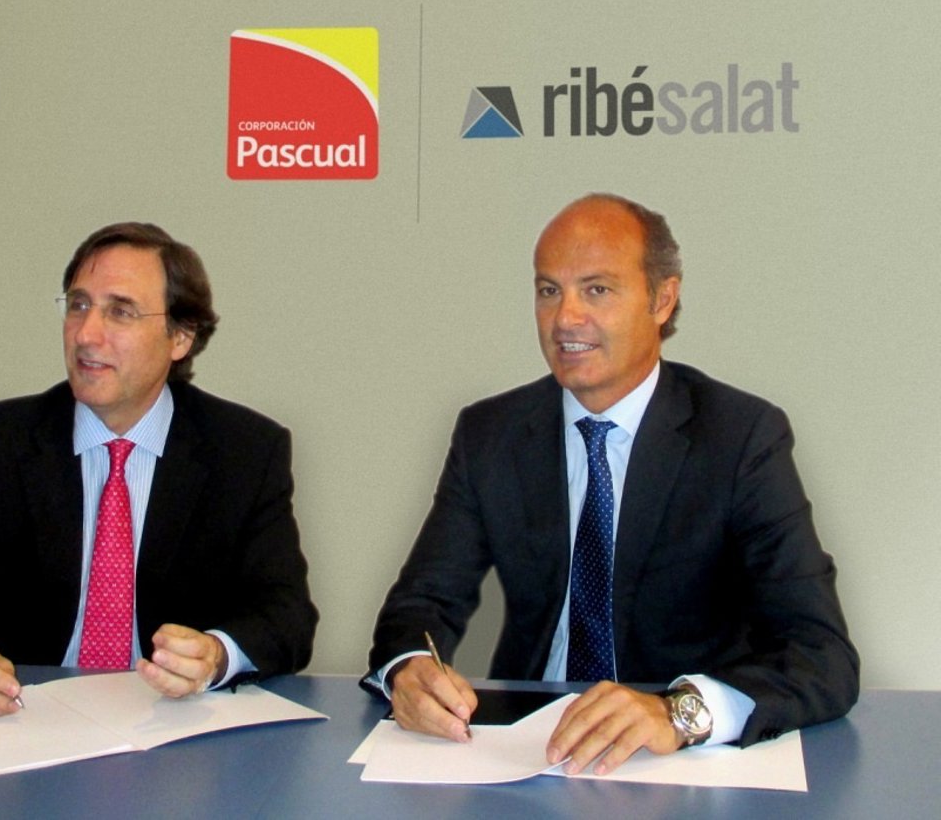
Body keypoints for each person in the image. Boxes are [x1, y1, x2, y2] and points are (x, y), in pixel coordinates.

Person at [364, 193, 858, 774]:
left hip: (682, 764)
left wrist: (679, 713)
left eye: (596, 289)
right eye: (549, 290)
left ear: (661, 298)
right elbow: (421, 603)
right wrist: (408, 669)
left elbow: (821, 654)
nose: (565, 318)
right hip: (527, 749)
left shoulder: (740, 437)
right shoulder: (491, 434)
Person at [0, 222, 318, 717]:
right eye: (78, 305)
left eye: (120, 311)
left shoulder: (244, 453)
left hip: (174, 736)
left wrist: (214, 656)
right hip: (17, 729)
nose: (86, 334)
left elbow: (288, 618)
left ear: (181, 336)